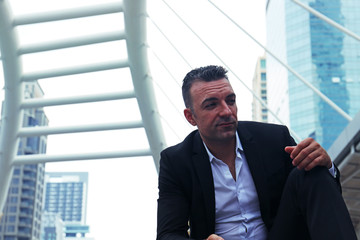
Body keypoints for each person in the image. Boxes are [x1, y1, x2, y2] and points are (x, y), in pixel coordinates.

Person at [156, 65, 356, 240]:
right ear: (191, 117)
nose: (226, 111)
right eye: (211, 104)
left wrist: (326, 165)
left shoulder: (274, 138)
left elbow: (320, 193)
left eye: (230, 100)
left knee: (310, 168)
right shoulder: (176, 162)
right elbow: (167, 234)